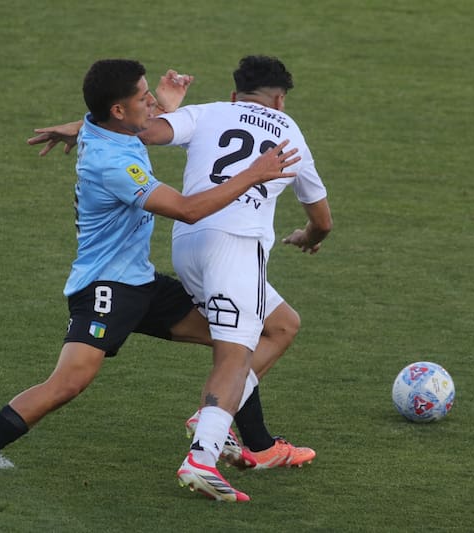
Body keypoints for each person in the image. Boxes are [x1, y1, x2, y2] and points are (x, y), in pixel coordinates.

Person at [0, 58, 301, 494]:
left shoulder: (105, 127)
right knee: (67, 384)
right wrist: (254, 173)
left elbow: (112, 123)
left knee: (237, 341)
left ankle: (246, 439)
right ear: (118, 111)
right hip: (106, 289)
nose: (153, 103)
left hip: (141, 282)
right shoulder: (111, 163)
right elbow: (188, 209)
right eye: (144, 99)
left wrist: (153, 107)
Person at [29, 55, 332, 501]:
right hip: (236, 249)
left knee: (283, 324)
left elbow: (140, 130)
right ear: (280, 101)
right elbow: (322, 221)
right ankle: (202, 455)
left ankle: (226, 424)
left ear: (236, 94)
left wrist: (80, 127)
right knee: (234, 355)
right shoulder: (291, 134)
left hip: (189, 245)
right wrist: (308, 237)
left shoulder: (209, 112)